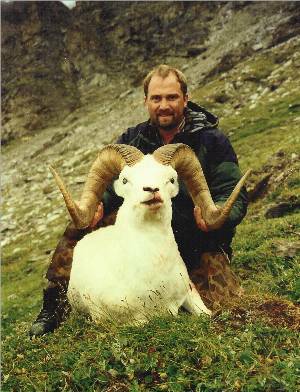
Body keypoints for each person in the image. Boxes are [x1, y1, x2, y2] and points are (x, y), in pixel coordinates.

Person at [29, 64, 248, 337]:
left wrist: (214, 217)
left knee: (226, 308)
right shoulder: (133, 139)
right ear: (146, 101)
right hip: (143, 232)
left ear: (186, 99)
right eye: (156, 98)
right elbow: (109, 185)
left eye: (172, 97)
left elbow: (231, 191)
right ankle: (54, 304)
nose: (164, 105)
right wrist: (96, 206)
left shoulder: (212, 141)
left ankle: (182, 284)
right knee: (79, 224)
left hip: (196, 238)